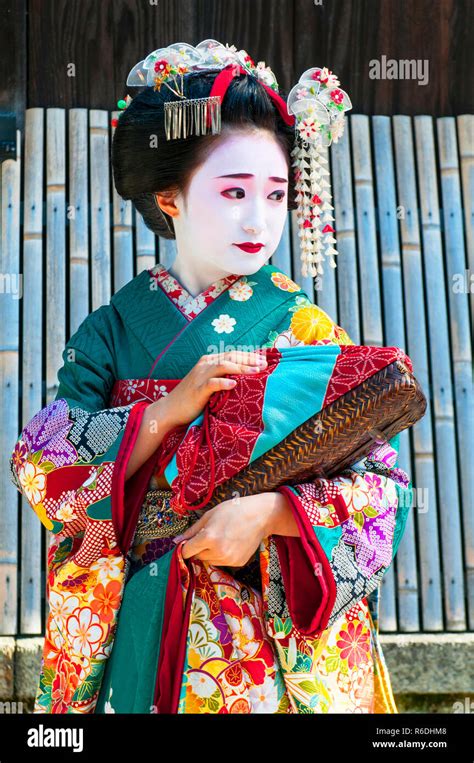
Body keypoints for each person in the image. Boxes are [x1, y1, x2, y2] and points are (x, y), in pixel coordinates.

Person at [9, 40, 413, 714]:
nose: (259, 217)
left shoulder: (305, 326)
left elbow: (383, 488)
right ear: (168, 195)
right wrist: (166, 410)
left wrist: (275, 513)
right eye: (233, 191)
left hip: (269, 641)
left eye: (276, 193)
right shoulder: (112, 330)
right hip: (140, 621)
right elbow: (42, 468)